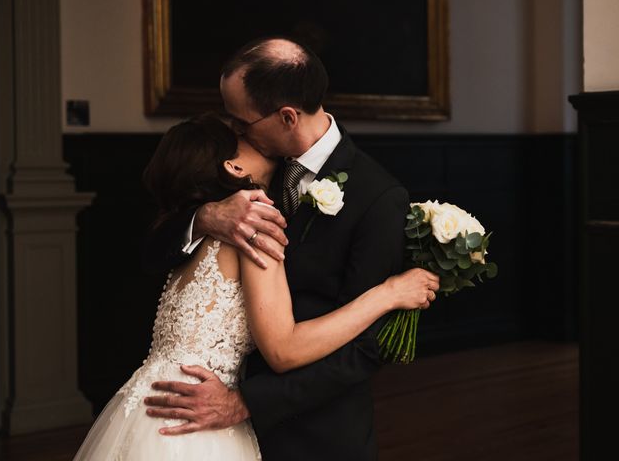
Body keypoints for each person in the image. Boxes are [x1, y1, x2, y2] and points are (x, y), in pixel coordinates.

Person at [72, 115, 439, 460]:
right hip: (199, 410)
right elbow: (284, 349)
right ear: (233, 167)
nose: (255, 139)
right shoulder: (248, 226)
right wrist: (386, 294)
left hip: (147, 403)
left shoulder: (212, 231)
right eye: (243, 138)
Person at [140, 37, 435, 461]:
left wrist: (247, 402)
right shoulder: (239, 175)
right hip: (211, 418)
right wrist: (205, 217)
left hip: (314, 433)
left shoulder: (378, 196)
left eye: (241, 121)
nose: (234, 129)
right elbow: (150, 253)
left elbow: (370, 347)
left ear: (287, 117)